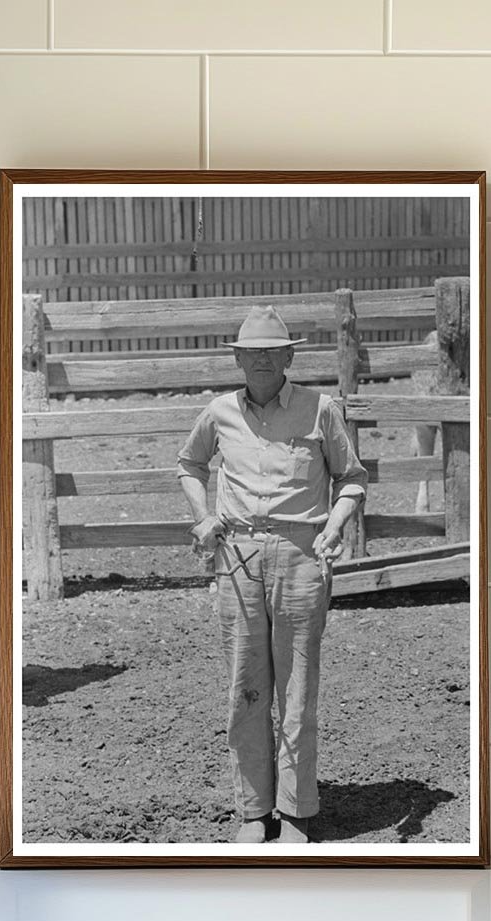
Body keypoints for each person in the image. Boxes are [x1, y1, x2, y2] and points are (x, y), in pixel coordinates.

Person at [176, 305, 367, 843]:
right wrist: (204, 517)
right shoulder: (218, 413)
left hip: (301, 558)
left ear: (288, 356)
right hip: (237, 559)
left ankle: (297, 812)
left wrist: (334, 527)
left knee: (298, 690)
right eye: (250, 353)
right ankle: (253, 812)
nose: (260, 361)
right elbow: (190, 466)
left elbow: (351, 479)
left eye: (271, 352)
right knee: (246, 688)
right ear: (237, 359)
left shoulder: (319, 409)